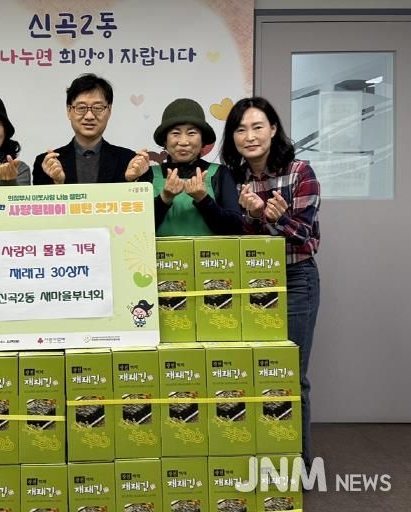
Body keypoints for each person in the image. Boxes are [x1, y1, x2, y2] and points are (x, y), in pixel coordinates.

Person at [220, 96, 321, 468]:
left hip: (295, 280)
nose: (249, 136)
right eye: (240, 129)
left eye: (257, 127)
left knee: (290, 374)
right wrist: (252, 217)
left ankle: (299, 466)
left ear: (274, 129)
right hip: (250, 281)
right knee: (252, 373)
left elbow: (305, 238)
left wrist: (273, 217)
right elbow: (240, 238)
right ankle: (259, 457)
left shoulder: (299, 172)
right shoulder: (235, 179)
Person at [32, 73, 152, 185]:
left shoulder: (130, 161)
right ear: (69, 111)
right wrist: (58, 183)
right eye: (81, 108)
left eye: (98, 108)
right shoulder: (48, 164)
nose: (89, 116)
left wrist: (130, 180)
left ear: (109, 111)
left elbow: (143, 200)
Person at [151, 98, 242, 236]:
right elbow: (136, 228)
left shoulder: (219, 174)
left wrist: (203, 200)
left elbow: (235, 228)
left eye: (191, 133)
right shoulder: (150, 175)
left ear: (202, 140)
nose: (183, 142)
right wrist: (164, 198)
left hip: (209, 251)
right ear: (165, 140)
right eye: (175, 133)